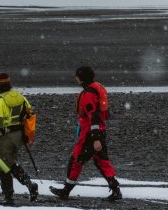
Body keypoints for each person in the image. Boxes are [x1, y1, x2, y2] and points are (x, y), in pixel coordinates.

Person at [50, 66, 122, 201]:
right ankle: (116, 190)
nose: (75, 78)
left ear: (81, 78)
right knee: (102, 161)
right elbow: (101, 115)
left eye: (77, 76)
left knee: (76, 160)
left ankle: (65, 191)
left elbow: (93, 115)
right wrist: (99, 136)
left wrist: (95, 139)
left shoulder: (88, 94)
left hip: (90, 134)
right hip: (100, 130)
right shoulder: (96, 90)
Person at [0, 73, 39, 204]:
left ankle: (20, 189)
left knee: (4, 164)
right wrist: (29, 136)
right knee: (7, 163)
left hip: (5, 138)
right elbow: (30, 114)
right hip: (19, 137)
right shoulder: (20, 97)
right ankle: (11, 194)